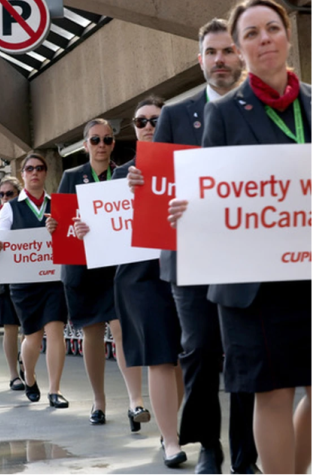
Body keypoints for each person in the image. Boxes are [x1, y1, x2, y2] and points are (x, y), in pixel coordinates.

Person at [169, 2, 311, 472]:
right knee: (272, 392)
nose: (264, 38)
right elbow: (214, 192)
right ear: (241, 48)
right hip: (254, 285)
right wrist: (191, 208)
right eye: (251, 33)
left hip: (307, 270)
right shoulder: (225, 113)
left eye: (272, 28)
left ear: (287, 36)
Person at [129, 19, 257, 474]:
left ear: (240, 56)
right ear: (200, 59)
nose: (220, 60)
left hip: (245, 254)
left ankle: (244, 455)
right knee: (199, 350)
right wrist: (140, 181)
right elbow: (158, 184)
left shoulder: (259, 111)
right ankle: (209, 448)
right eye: (212, 52)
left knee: (243, 354)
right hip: (188, 255)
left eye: (228, 51)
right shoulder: (176, 115)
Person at [74, 98, 185, 467]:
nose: (148, 126)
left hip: (186, 270)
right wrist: (86, 229)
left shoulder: (190, 163)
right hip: (140, 277)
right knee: (159, 357)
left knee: (181, 358)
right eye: (141, 121)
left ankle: (172, 427)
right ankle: (170, 440)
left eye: (155, 120)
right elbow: (106, 224)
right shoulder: (121, 175)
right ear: (134, 129)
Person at [47, 118, 149, 428]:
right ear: (85, 145)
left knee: (122, 330)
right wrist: (58, 226)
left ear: (113, 144)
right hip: (82, 268)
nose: (101, 145)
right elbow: (60, 222)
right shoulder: (71, 177)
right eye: (95, 140)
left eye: (106, 139)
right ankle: (99, 401)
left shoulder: (122, 175)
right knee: (92, 335)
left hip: (116, 267)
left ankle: (135, 401)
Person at [0, 152, 69, 408]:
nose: (35, 172)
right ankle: (30, 376)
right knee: (32, 336)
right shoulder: (10, 208)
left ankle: (55, 390)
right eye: (29, 168)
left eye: (39, 168)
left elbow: (69, 239)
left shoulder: (57, 204)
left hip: (53, 278)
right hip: (23, 282)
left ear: (46, 172)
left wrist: (60, 230)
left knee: (55, 331)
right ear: (22, 174)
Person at [0, 178, 24, 391]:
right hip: (2, 278)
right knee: (10, 327)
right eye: (1, 194)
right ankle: (13, 374)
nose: (5, 198)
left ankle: (26, 366)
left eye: (10, 193)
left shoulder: (25, 213)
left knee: (28, 327)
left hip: (26, 275)